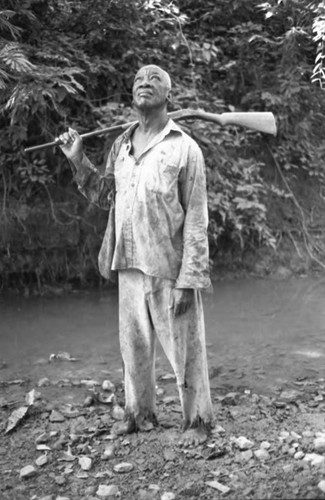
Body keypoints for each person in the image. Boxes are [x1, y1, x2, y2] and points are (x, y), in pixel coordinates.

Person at [58, 64, 214, 446]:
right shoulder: (121, 147)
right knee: (134, 348)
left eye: (155, 80)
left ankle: (198, 422)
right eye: (138, 81)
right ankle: (139, 415)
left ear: (168, 95)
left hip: (169, 266)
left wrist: (190, 278)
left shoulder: (184, 148)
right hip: (127, 261)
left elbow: (196, 219)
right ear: (132, 95)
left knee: (186, 351)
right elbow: (105, 196)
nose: (145, 83)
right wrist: (77, 159)